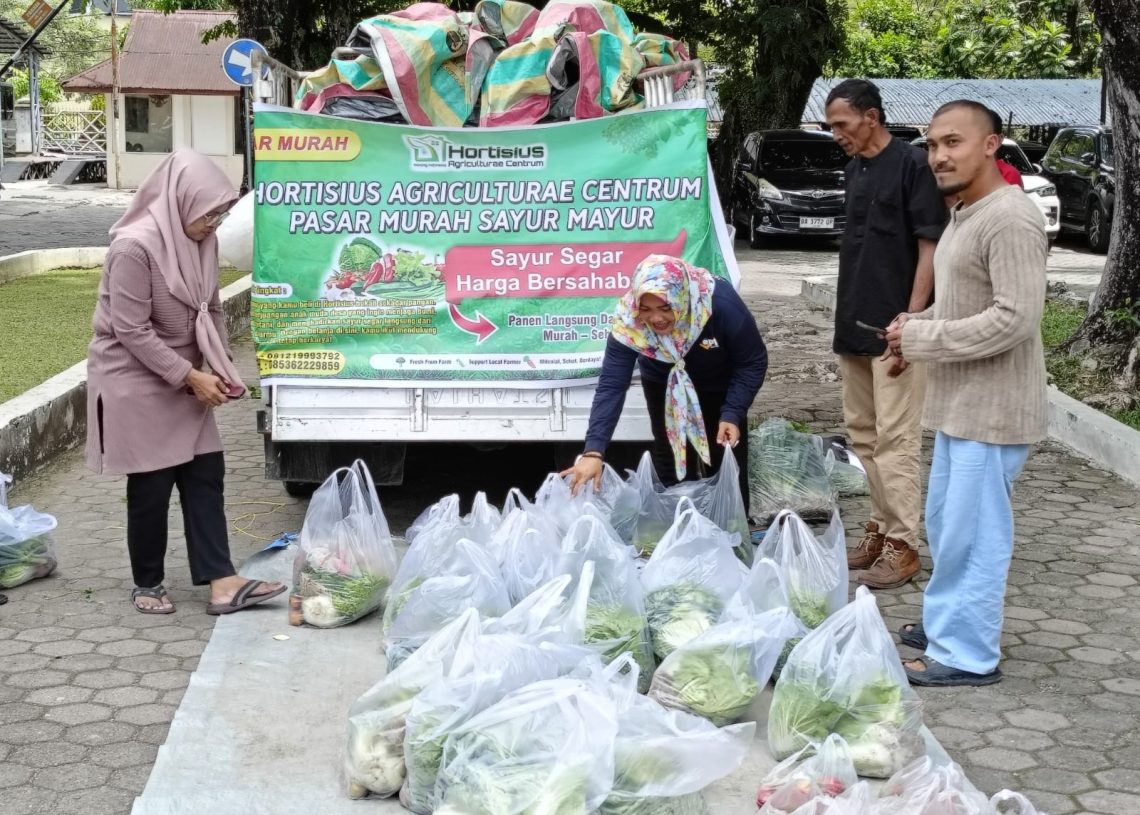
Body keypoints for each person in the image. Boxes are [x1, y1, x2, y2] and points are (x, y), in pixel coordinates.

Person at [883, 100, 1048, 686]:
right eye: (931, 145)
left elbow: (1013, 319)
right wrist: (911, 342)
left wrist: (923, 337)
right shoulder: (965, 214)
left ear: (991, 145)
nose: (939, 155)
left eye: (953, 142)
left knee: (976, 536)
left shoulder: (1009, 218)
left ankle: (967, 654)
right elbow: (963, 311)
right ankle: (944, 622)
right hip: (961, 405)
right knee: (948, 525)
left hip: (995, 409)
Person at [86, 150, 286, 616]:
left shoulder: (203, 243)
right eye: (208, 213)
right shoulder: (133, 248)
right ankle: (147, 583)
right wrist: (190, 376)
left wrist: (218, 366)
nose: (214, 222)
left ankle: (222, 582)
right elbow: (131, 330)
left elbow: (210, 308)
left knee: (205, 472)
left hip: (186, 373)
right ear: (178, 201)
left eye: (222, 212)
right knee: (153, 483)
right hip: (134, 377)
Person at [824, 79, 947, 589]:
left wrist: (911, 319)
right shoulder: (855, 169)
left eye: (842, 124)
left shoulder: (913, 165)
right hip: (854, 321)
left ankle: (904, 545)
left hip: (897, 328)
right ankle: (878, 529)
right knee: (864, 437)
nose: (836, 134)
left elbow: (930, 245)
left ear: (871, 116)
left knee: (897, 440)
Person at [562, 255, 767, 504]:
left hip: (718, 383)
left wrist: (732, 412)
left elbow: (752, 361)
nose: (656, 318)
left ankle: (733, 535)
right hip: (663, 381)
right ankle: (678, 526)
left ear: (681, 298)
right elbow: (612, 384)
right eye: (646, 309)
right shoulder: (629, 322)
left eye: (665, 307)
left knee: (725, 461)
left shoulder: (720, 305)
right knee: (670, 457)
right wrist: (594, 450)